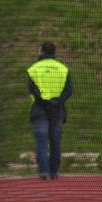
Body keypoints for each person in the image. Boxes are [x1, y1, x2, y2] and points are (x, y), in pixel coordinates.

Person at [27, 41, 73, 180]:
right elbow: (69, 90)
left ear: (41, 51)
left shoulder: (34, 69)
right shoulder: (63, 69)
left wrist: (45, 102)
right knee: (56, 141)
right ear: (54, 52)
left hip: (40, 109)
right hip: (57, 109)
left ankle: (44, 172)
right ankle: (54, 171)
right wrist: (56, 102)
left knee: (41, 141)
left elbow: (33, 89)